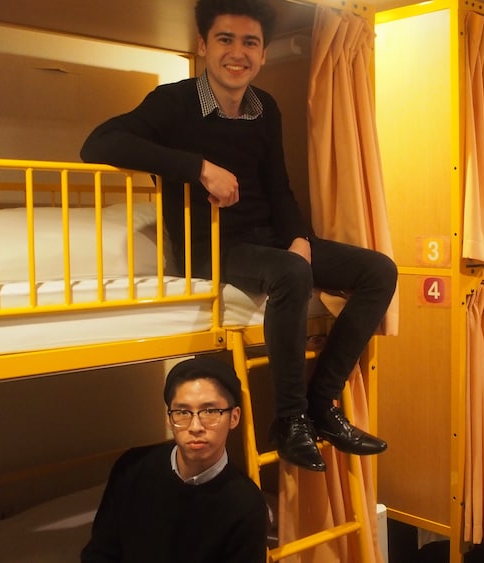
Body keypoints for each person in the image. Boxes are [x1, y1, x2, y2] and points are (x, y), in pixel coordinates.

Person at [80, 0, 397, 473]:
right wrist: (199, 168)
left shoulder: (265, 108)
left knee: (379, 271)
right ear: (204, 45)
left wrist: (299, 237)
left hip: (267, 239)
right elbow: (98, 144)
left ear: (263, 54)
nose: (238, 53)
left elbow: (278, 186)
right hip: (209, 246)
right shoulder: (174, 102)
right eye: (225, 39)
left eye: (250, 43)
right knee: (290, 273)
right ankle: (289, 419)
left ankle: (321, 402)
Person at [82, 357, 267, 562]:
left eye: (210, 411)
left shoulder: (246, 505)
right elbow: (100, 552)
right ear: (169, 419)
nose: (195, 427)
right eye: (182, 412)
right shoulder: (132, 468)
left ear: (234, 417)